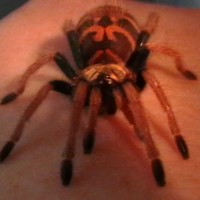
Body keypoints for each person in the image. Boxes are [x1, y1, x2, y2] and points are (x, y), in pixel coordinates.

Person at [0, 0, 199, 199]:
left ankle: (160, 146)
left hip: (112, 59)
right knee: (48, 83)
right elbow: (49, 56)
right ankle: (54, 150)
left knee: (149, 71)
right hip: (95, 64)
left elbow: (151, 55)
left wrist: (174, 129)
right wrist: (20, 88)